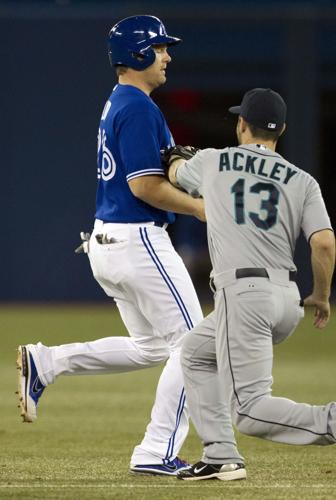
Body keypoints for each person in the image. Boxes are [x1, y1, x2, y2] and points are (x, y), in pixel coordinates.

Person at [16, 15, 205, 476]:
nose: (167, 56)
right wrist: (202, 209)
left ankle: (49, 362)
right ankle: (156, 450)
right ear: (138, 54)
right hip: (138, 237)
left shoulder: (119, 102)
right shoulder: (138, 106)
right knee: (196, 346)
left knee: (151, 347)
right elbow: (145, 187)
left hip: (108, 240)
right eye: (160, 48)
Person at [166, 88, 336, 481]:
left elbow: (173, 171)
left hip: (243, 295)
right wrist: (322, 295)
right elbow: (324, 242)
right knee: (194, 352)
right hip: (286, 299)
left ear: (242, 124)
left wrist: (176, 158)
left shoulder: (215, 161)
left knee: (249, 411)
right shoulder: (303, 180)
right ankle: (220, 454)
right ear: (282, 130)